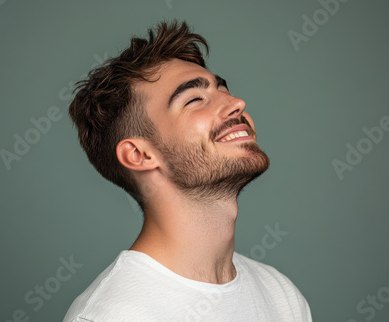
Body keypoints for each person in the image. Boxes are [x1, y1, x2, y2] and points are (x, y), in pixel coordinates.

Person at [63, 20, 312, 322]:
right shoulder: (114, 315)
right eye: (195, 100)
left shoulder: (279, 294)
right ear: (140, 155)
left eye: (223, 90)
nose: (237, 103)